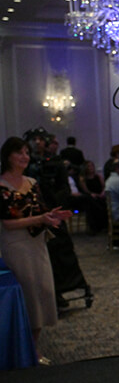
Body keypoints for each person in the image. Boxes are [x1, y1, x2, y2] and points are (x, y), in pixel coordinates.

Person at [0, 137, 72, 350]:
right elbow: (8, 223)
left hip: (37, 244)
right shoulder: (1, 186)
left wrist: (51, 216)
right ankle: (24, 351)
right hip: (16, 246)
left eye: (26, 152)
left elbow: (39, 212)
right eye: (19, 153)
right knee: (27, 295)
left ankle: (34, 348)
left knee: (43, 292)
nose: (25, 157)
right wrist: (41, 219)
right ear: (8, 156)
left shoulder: (32, 183)